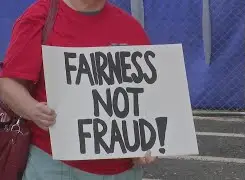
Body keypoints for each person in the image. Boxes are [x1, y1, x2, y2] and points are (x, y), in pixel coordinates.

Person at [0, 0, 156, 179]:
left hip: (122, 170)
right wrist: (32, 109)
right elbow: (8, 84)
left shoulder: (130, 28)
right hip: (53, 165)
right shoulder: (39, 17)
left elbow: (147, 100)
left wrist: (146, 143)